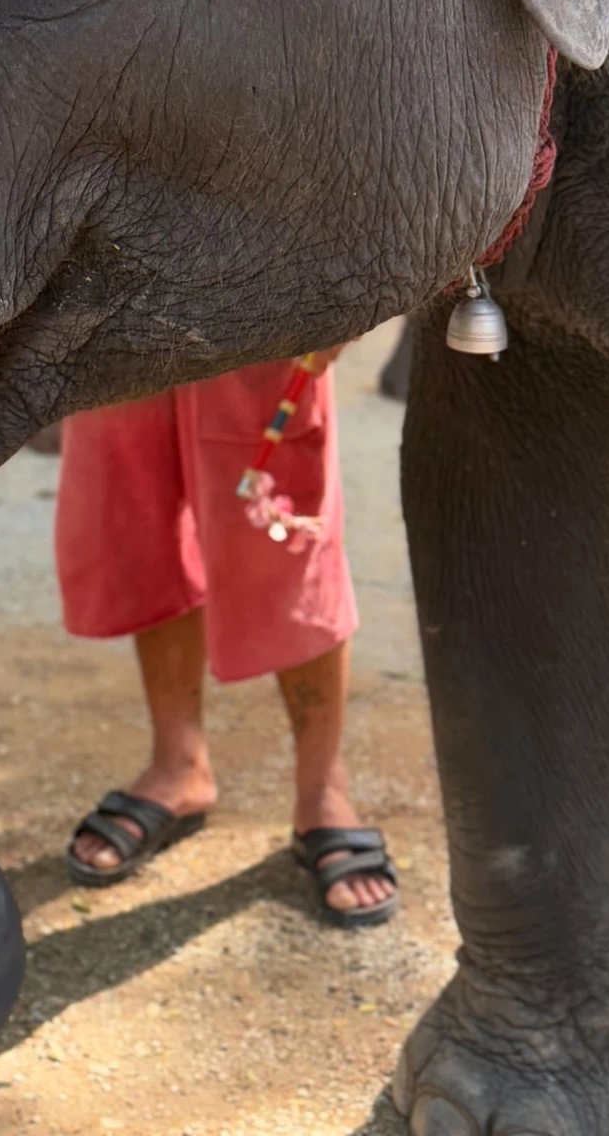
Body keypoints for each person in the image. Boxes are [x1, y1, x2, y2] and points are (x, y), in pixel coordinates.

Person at [54, 354, 398, 926]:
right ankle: (178, 765)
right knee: (135, 512)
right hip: (114, 293)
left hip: (260, 286)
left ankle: (322, 792)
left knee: (284, 535)